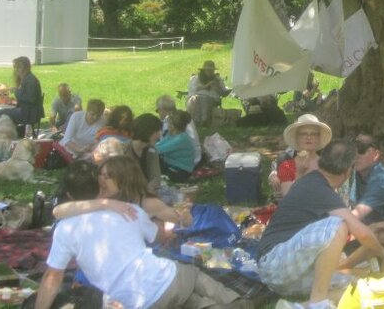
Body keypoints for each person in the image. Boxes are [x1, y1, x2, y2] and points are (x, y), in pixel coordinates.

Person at [35, 162, 240, 309]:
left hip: (140, 301)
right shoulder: (130, 210)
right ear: (101, 186)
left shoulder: (65, 228)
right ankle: (234, 301)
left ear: (70, 196)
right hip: (170, 279)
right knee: (191, 277)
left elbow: (52, 279)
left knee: (182, 296)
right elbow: (159, 237)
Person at [257, 140, 384, 307]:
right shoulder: (318, 187)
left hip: (286, 272)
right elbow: (362, 233)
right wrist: (382, 253)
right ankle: (319, 303)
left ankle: (299, 306)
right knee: (338, 225)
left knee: (356, 286)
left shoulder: (314, 182)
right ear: (348, 170)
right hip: (274, 263)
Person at [53, 155, 192, 228]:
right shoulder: (101, 198)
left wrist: (183, 213)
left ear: (124, 180)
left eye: (106, 176)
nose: (100, 179)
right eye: (100, 174)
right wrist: (105, 203)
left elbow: (184, 221)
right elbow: (58, 211)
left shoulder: (145, 203)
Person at [274, 113, 333, 198]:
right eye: (303, 134)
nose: (308, 137)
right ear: (296, 138)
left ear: (319, 138)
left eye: (313, 134)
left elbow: (332, 196)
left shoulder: (327, 165)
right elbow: (288, 199)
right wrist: (299, 174)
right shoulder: (286, 166)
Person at [156, 94, 202, 167]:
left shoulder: (172, 123)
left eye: (157, 110)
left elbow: (163, 146)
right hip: (193, 156)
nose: (158, 113)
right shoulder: (182, 117)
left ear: (164, 110)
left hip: (185, 162)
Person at [155, 110, 196, 183]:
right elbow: (160, 144)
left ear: (173, 126)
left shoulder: (181, 139)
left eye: (168, 123)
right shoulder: (170, 134)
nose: (167, 125)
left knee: (166, 174)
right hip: (169, 163)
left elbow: (160, 149)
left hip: (181, 169)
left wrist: (147, 147)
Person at [129, 113, 164, 194]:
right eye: (157, 131)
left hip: (144, 194)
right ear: (147, 131)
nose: (159, 135)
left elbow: (156, 177)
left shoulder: (151, 151)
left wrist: (148, 191)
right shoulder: (124, 151)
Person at [187, 60, 228, 125]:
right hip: (197, 96)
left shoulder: (217, 79)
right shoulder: (197, 78)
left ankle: (204, 120)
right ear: (204, 70)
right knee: (195, 99)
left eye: (211, 71)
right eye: (208, 70)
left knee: (204, 99)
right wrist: (206, 86)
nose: (210, 72)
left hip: (211, 98)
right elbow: (193, 89)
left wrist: (217, 87)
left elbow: (224, 93)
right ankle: (195, 121)